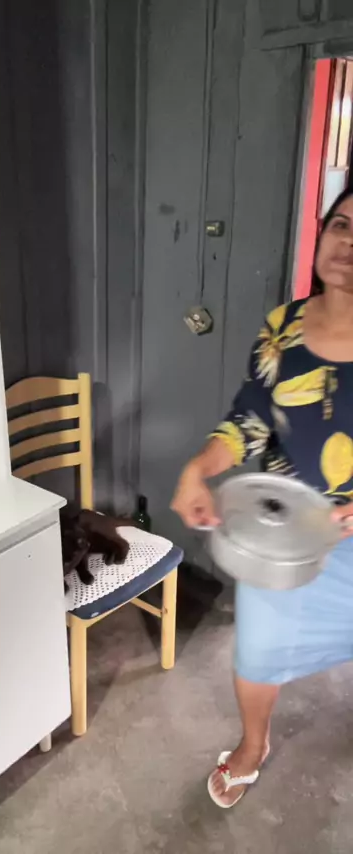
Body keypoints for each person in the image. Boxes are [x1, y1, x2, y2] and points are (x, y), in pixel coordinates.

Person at [171, 188, 353, 809]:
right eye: (342, 224)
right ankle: (253, 746)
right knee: (258, 651)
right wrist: (199, 467)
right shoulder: (284, 326)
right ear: (323, 233)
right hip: (284, 536)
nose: (349, 243)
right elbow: (251, 418)